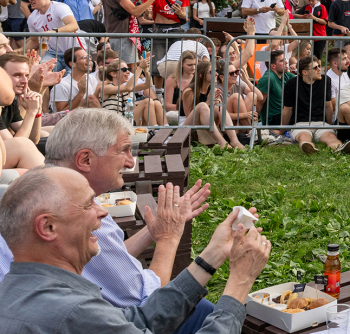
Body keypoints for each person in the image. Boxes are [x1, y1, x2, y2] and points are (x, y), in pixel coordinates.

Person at [0, 109, 221, 332]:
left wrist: (152, 231)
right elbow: (149, 304)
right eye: (123, 150)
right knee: (207, 312)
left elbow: (102, 260)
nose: (130, 161)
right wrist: (168, 239)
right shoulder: (73, 211)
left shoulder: (33, 192)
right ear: (85, 159)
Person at [0, 164, 270, 334]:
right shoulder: (75, 312)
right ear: (47, 228)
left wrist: (211, 256)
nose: (102, 213)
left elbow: (137, 321)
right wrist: (240, 283)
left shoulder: (18, 291)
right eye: (88, 205)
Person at [281, 56, 350, 155]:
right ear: (304, 72)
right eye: (315, 68)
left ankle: (339, 149)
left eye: (318, 66)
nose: (319, 69)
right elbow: (288, 110)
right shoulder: (292, 84)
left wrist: (329, 125)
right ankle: (309, 148)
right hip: (300, 123)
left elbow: (328, 106)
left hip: (320, 122)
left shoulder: (325, 81)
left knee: (331, 137)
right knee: (303, 137)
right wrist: (281, 130)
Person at [102, 0, 159, 71]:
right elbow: (135, 12)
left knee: (120, 69)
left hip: (114, 33)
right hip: (123, 36)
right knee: (129, 70)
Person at [24, 0, 82, 68]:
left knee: (71, 79)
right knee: (41, 69)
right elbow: (34, 41)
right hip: (53, 53)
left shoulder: (59, 7)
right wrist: (20, 51)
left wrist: (53, 32)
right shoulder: (32, 18)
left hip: (74, 51)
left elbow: (73, 25)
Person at [255, 49, 293, 143]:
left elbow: (301, 79)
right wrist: (254, 123)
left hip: (284, 114)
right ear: (273, 66)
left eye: (285, 60)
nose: (286, 62)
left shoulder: (286, 75)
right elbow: (260, 102)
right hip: (274, 119)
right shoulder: (268, 78)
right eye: (282, 61)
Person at [52, 46, 102, 112]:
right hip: (72, 121)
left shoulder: (91, 78)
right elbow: (61, 113)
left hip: (90, 117)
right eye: (84, 57)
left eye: (88, 57)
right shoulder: (61, 85)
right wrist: (80, 93)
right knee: (90, 98)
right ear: (73, 64)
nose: (89, 59)